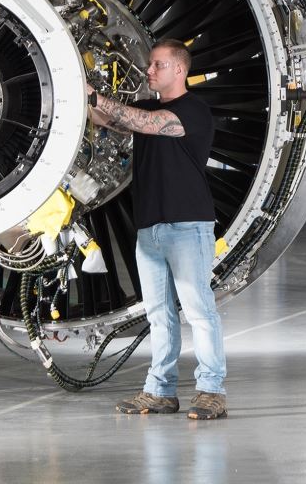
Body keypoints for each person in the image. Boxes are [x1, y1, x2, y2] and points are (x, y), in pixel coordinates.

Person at [87, 38, 227, 419]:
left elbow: (143, 122)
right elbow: (110, 118)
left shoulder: (193, 111)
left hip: (188, 227)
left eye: (157, 65)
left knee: (199, 310)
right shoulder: (147, 107)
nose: (149, 71)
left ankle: (212, 390)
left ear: (179, 70)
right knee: (158, 314)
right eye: (151, 65)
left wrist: (95, 95)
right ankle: (160, 391)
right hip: (149, 230)